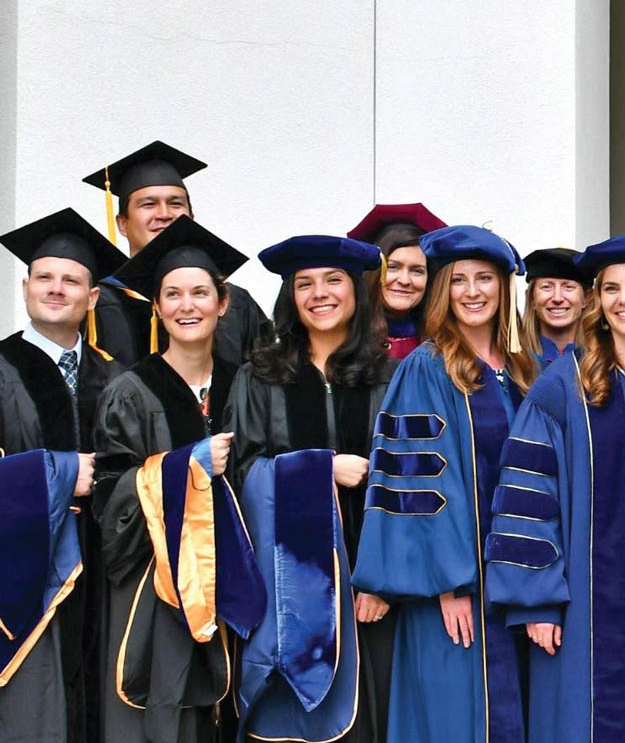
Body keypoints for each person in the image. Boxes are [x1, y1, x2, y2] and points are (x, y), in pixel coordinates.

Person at [484, 233, 625, 742]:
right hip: (582, 605)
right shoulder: (562, 384)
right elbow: (527, 496)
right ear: (597, 299)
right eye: (611, 289)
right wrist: (537, 601)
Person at [351, 225, 533, 743]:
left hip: (518, 586)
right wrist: (451, 583)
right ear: (441, 291)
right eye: (457, 281)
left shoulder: (525, 369)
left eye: (484, 279)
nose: (472, 292)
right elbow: (416, 481)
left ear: (504, 288)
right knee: (455, 718)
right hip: (454, 589)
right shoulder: (427, 368)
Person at [92, 217, 266, 743]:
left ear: (223, 303)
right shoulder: (132, 391)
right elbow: (110, 496)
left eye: (198, 292)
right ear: (157, 306)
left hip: (241, 580)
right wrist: (184, 464)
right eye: (172, 294)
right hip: (160, 585)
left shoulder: (250, 384)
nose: (186, 306)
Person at [224, 234, 397, 742]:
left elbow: (408, 481)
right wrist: (320, 470)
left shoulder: (391, 376)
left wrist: (383, 579)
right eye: (304, 284)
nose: (319, 293)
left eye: (333, 280)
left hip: (370, 586)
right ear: (290, 297)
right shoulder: (260, 378)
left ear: (357, 292)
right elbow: (240, 476)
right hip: (288, 591)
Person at [0, 209, 125, 743]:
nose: (56, 289)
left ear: (92, 297)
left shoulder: (118, 377)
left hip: (106, 565)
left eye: (71, 280)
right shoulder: (2, 366)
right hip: (25, 566)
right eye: (44, 278)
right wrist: (61, 474)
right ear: (25, 287)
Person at [83, 141, 269, 367]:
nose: (164, 214)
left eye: (175, 204)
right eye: (148, 204)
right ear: (122, 224)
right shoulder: (95, 305)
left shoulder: (236, 304)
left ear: (190, 218)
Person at [347, 202, 447, 363]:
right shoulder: (347, 339)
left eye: (417, 270)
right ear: (374, 272)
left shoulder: (444, 342)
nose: (404, 280)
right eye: (393, 267)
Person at [520, 246, 585, 364]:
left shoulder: (602, 360)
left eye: (568, 287)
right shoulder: (513, 360)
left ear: (586, 298)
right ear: (531, 299)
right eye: (546, 287)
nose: (557, 298)